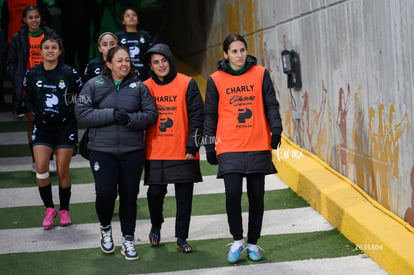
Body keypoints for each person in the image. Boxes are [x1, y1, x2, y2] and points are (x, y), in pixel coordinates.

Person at [204, 34, 283, 263]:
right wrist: (210, 145)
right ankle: (237, 240)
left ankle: (253, 243)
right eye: (234, 51)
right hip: (229, 145)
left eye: (242, 50)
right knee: (233, 194)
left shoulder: (260, 73)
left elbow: (271, 104)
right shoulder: (215, 79)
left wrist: (275, 130)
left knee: (257, 196)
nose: (240, 55)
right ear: (225, 54)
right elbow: (209, 115)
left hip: (257, 143)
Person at [75, 46, 158, 260]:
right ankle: (105, 231)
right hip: (102, 151)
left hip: (132, 151)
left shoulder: (139, 87)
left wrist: (130, 119)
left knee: (129, 196)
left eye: (127, 60)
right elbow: (82, 113)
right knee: (106, 193)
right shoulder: (93, 85)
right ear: (109, 64)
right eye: (119, 60)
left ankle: (128, 240)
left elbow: (151, 115)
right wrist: (112, 114)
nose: (124, 64)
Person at [143, 43, 204, 253]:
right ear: (150, 66)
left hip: (183, 150)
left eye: (164, 60)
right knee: (155, 193)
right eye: (156, 62)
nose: (161, 65)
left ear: (170, 60)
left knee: (184, 198)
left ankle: (181, 238)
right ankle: (156, 223)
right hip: (156, 151)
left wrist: (192, 144)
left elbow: (198, 116)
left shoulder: (187, 83)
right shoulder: (145, 87)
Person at [23, 34, 83, 229]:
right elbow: (28, 99)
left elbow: (81, 95)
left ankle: (64, 210)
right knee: (41, 168)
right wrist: (35, 112)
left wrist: (70, 107)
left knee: (62, 170)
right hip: (42, 127)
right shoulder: (32, 74)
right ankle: (49, 209)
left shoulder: (69, 73)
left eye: (54, 47)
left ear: (59, 51)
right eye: (46, 47)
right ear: (40, 51)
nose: (50, 50)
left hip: (65, 126)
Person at [7, 5, 57, 173]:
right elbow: (11, 62)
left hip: (50, 85)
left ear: (40, 18)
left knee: (49, 122)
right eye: (30, 17)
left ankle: (49, 158)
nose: (34, 20)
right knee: (34, 124)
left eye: (37, 16)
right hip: (29, 87)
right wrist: (17, 79)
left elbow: (61, 57)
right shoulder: (18, 37)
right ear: (24, 20)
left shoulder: (51, 35)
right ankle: (37, 160)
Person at [56, 0, 100, 73]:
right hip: (68, 31)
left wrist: (96, 30)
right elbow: (58, 3)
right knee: (68, 56)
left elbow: (95, 13)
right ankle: (70, 77)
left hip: (83, 31)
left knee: (83, 58)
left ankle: (83, 79)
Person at [117, 8, 152, 81]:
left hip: (143, 72)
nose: (131, 17)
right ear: (123, 21)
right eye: (128, 15)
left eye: (134, 15)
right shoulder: (118, 36)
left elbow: (150, 54)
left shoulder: (144, 35)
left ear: (138, 20)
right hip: (124, 73)